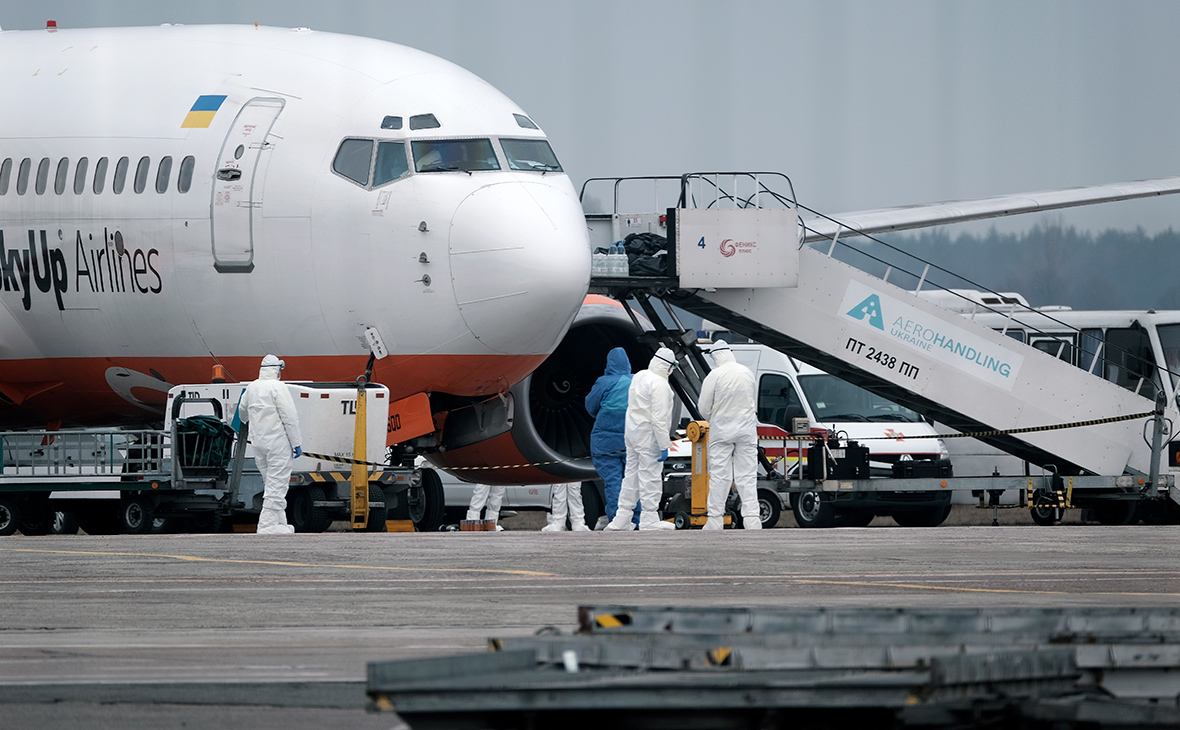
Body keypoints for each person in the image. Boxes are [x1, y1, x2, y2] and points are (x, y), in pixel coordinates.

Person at [605, 347, 677, 531]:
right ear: (668, 367)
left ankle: (621, 517)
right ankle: (649, 518)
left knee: (631, 476)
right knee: (650, 477)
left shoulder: (640, 376)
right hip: (649, 436)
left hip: (632, 433)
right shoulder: (660, 385)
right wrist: (664, 444)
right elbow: (659, 419)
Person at [699, 341, 761, 530]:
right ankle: (752, 520)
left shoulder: (715, 375)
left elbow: (703, 407)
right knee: (748, 475)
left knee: (719, 475)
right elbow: (753, 401)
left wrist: (715, 418)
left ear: (716, 356)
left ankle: (715, 520)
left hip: (722, 431)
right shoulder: (747, 372)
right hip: (746, 430)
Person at [238, 355, 303, 535]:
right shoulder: (278, 387)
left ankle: (280, 522)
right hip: (277, 442)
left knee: (270, 482)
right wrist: (296, 442)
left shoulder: (251, 387)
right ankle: (266, 525)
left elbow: (242, 412)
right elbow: (290, 418)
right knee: (278, 483)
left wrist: (249, 422)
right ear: (277, 370)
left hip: (258, 442)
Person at [584, 347, 635, 530]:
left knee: (613, 483)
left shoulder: (604, 382)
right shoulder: (636, 381)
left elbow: (590, 406)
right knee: (633, 481)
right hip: (632, 439)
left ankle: (617, 519)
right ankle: (635, 520)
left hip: (606, 442)